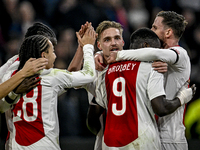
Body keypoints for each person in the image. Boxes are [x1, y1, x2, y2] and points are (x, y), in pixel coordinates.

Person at [93, 21, 195, 149]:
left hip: (109, 142)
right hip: (142, 141)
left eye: (117, 38)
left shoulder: (103, 72)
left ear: (124, 43)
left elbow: (93, 116)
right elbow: (160, 108)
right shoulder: (153, 67)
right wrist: (183, 98)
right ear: (148, 47)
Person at [3, 25, 96, 149]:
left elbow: (2, 105)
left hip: (17, 145)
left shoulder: (11, 72)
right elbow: (87, 75)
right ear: (43, 53)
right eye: (52, 50)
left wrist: (13, 93)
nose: (55, 55)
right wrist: (88, 47)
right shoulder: (51, 76)